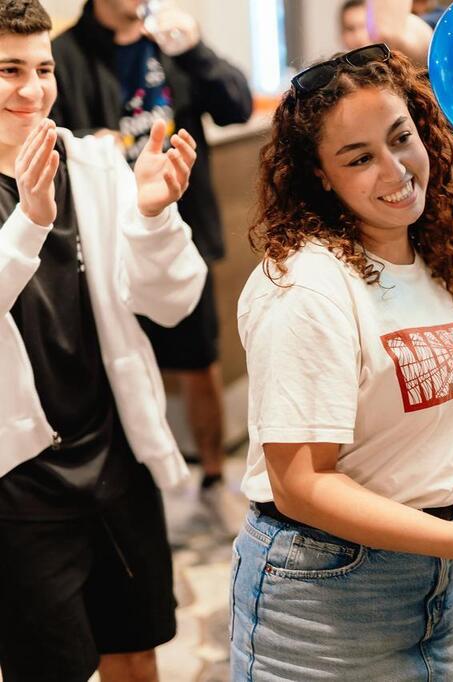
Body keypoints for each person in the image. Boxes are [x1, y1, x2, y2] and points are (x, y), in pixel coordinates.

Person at [229, 44, 453, 679]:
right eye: (359, 158)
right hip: (326, 592)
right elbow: (302, 485)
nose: (396, 169)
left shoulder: (429, 260)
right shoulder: (307, 287)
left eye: (400, 137)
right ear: (320, 175)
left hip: (439, 583)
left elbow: (429, 438)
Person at [0, 1, 205, 680]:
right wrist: (29, 222)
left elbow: (173, 303)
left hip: (115, 456)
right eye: (8, 70)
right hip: (20, 483)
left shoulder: (92, 162)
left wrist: (151, 215)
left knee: (136, 651)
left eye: (42, 68)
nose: (31, 89)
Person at [49, 0, 253, 529]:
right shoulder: (63, 54)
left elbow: (236, 105)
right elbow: (43, 140)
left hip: (180, 236)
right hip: (100, 243)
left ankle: (212, 480)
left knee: (199, 363)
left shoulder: (170, 41)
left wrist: (197, 49)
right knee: (117, 363)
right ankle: (138, 493)